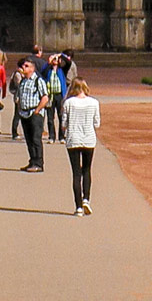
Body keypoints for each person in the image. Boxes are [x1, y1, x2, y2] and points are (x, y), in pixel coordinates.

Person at [63, 71, 100, 215]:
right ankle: (87, 199)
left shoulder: (68, 103)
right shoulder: (94, 102)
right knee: (87, 170)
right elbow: (97, 123)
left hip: (73, 139)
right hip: (89, 139)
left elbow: (64, 123)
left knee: (76, 173)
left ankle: (78, 206)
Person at [14, 59, 47, 171]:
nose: (24, 67)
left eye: (27, 66)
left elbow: (45, 97)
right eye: (23, 65)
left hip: (34, 113)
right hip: (24, 113)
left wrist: (37, 110)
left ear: (32, 69)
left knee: (35, 138)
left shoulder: (38, 81)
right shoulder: (23, 81)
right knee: (28, 139)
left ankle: (39, 163)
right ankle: (32, 161)